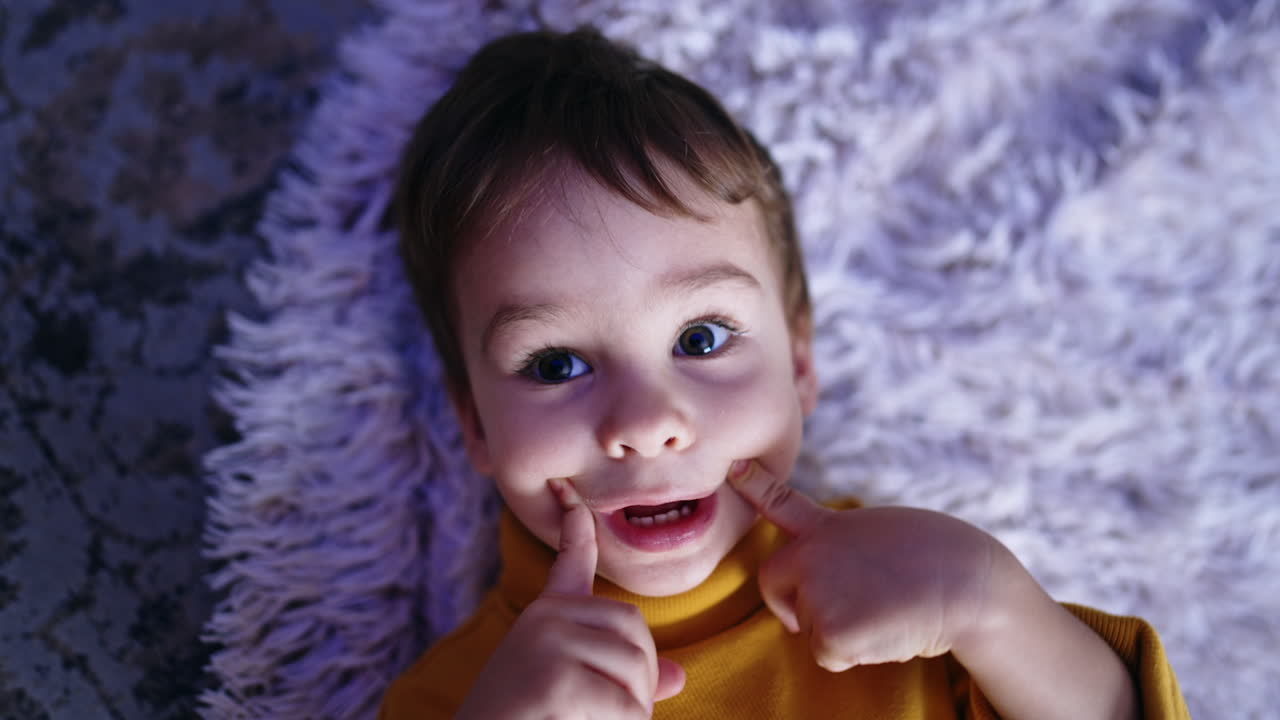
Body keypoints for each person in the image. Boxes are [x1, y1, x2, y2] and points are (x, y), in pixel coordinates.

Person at [379, 26, 1189, 719]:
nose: (645, 421)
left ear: (799, 365)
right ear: (475, 425)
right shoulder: (461, 696)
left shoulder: (907, 587)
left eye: (701, 339)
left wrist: (994, 608)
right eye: (556, 363)